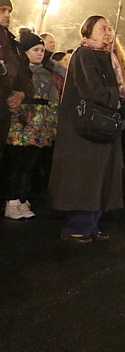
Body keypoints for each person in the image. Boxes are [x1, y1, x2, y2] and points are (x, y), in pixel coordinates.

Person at [49, 15, 125, 243]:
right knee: (86, 177)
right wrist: (116, 100)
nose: (108, 32)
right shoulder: (84, 54)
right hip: (85, 129)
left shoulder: (106, 56)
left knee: (100, 176)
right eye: (103, 28)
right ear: (88, 32)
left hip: (101, 127)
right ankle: (77, 226)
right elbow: (92, 89)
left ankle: (92, 224)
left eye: (110, 28)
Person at [4, 32, 58, 219]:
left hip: (40, 127)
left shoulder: (46, 75)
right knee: (17, 164)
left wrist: (51, 123)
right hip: (21, 126)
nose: (40, 53)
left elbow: (53, 100)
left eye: (42, 50)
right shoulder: (19, 73)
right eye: (35, 50)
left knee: (30, 166)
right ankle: (11, 200)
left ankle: (22, 199)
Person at [0, 0, 34, 167]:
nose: (7, 14)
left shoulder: (14, 44)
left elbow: (24, 75)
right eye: (2, 10)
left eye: (9, 11)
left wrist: (22, 94)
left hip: (4, 112)